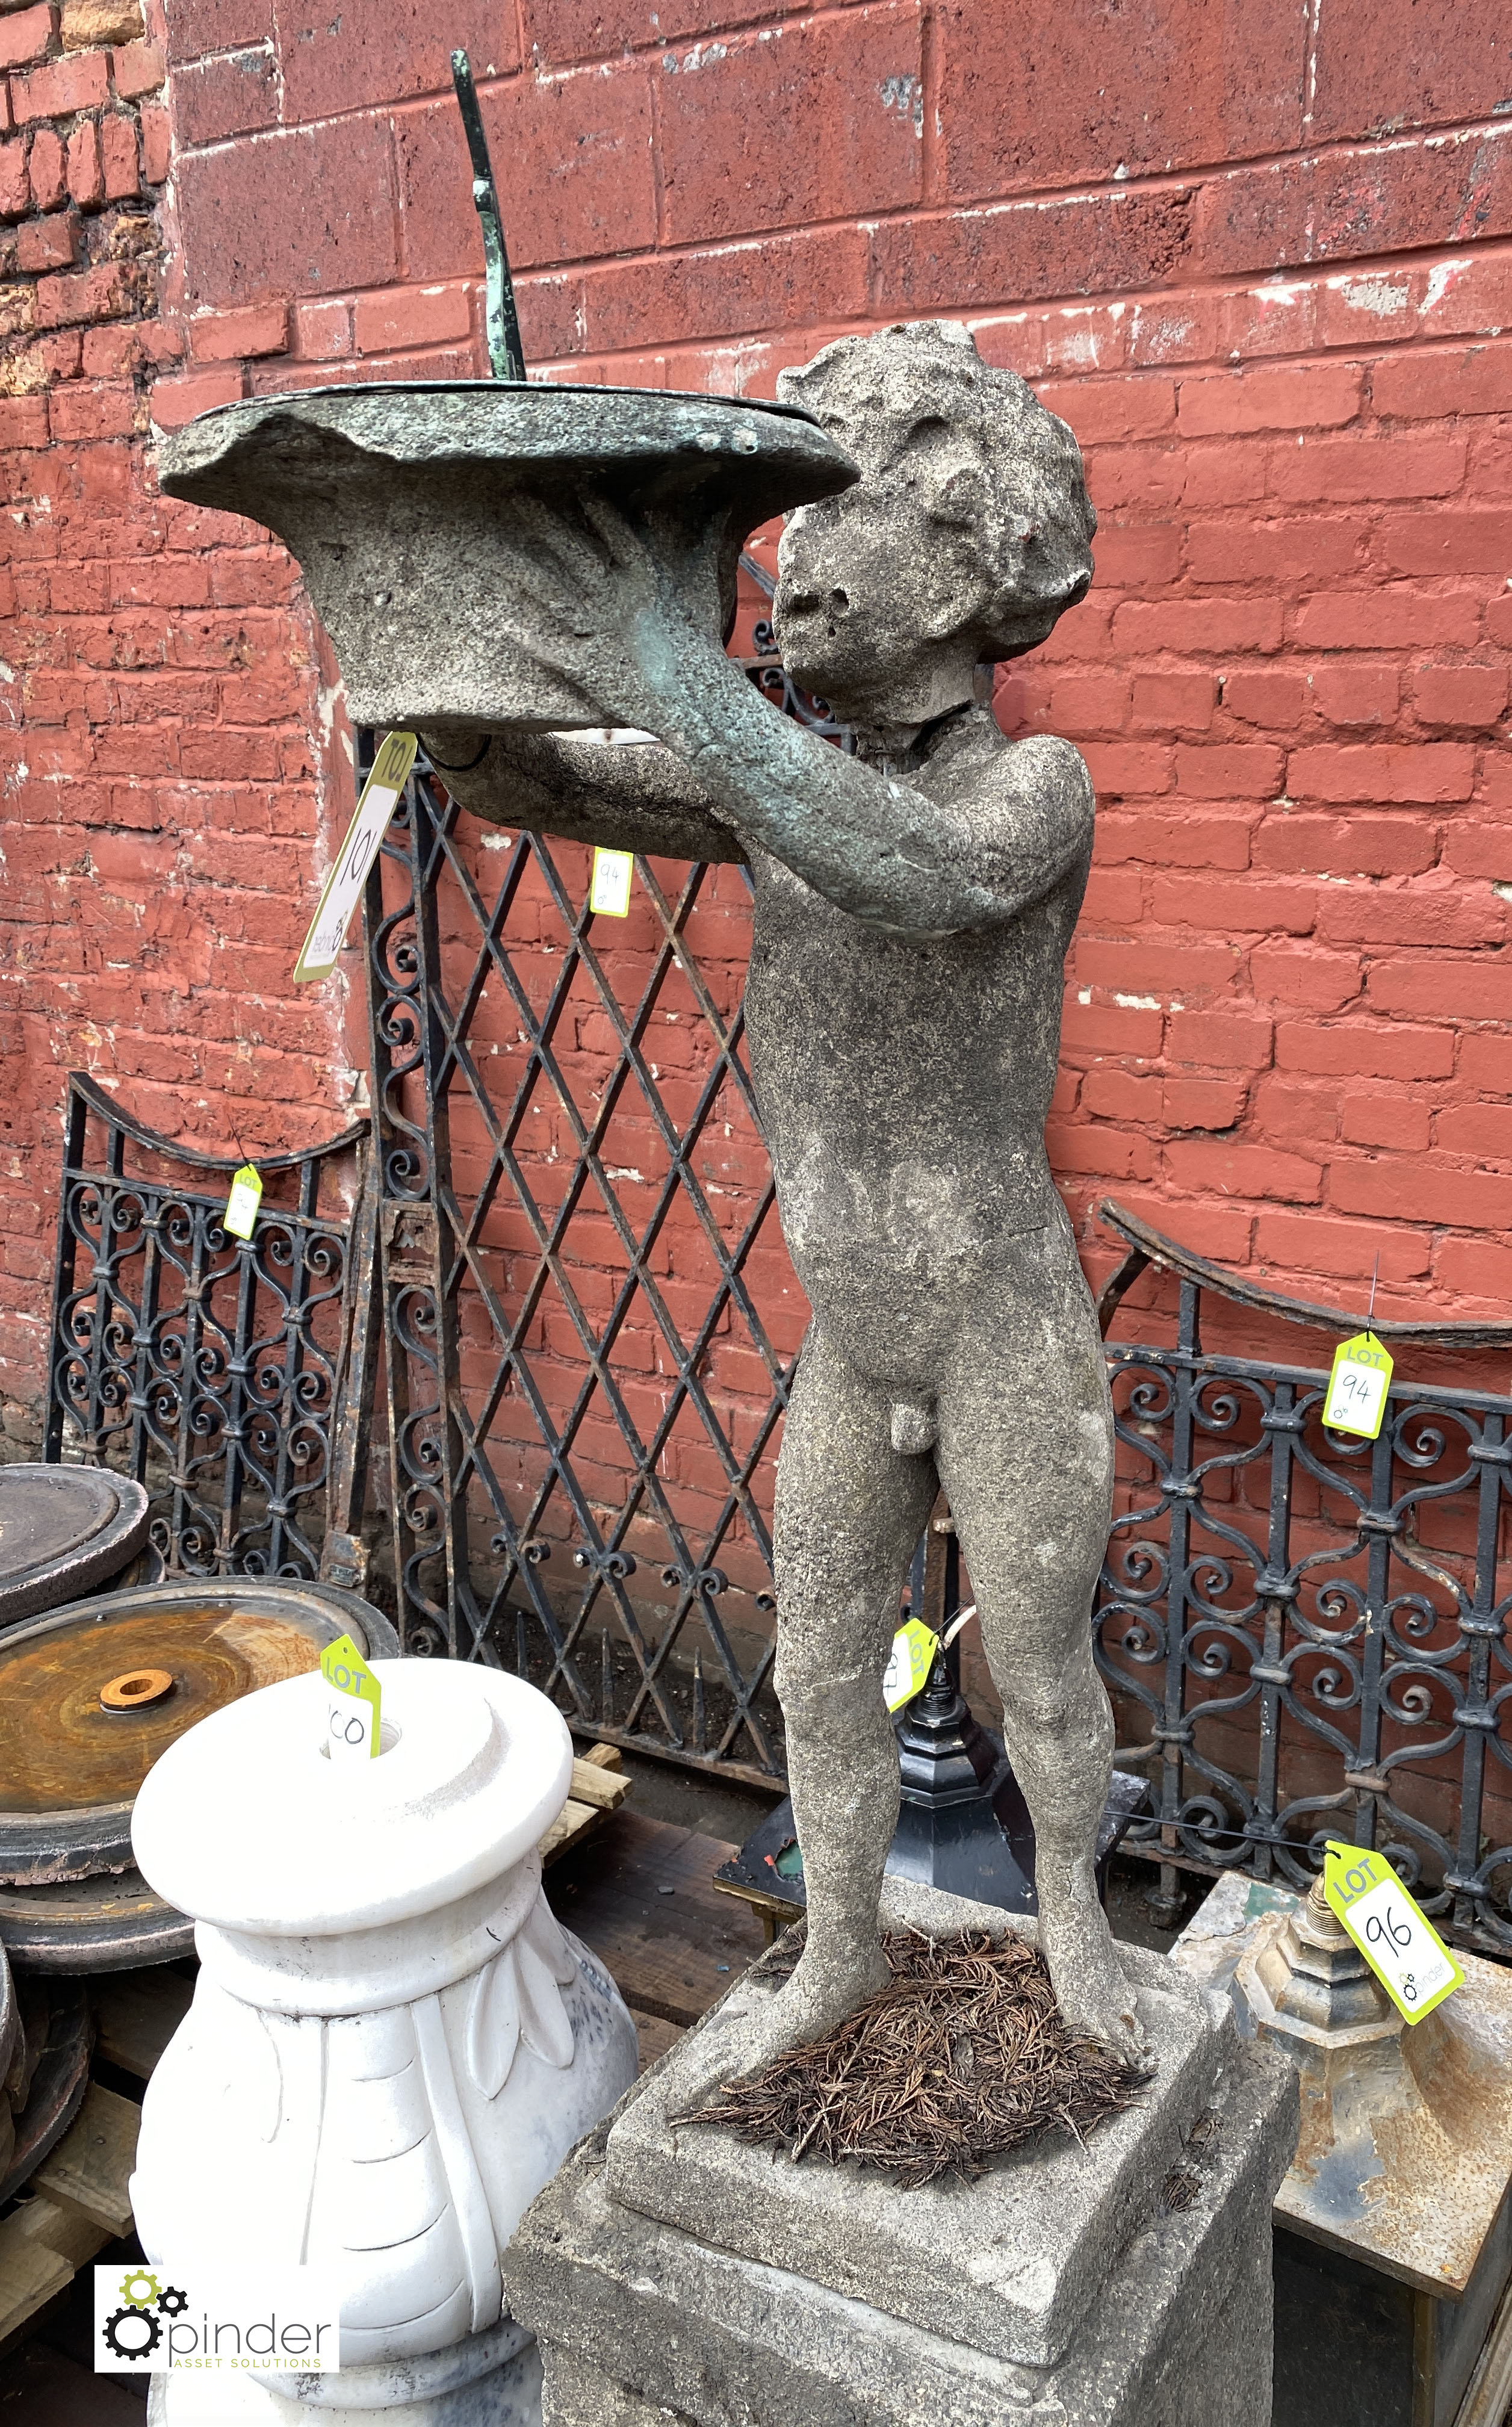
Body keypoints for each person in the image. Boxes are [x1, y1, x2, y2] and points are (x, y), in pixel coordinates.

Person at [422, 320, 1148, 2078]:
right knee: (815, 1657)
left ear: (971, 558)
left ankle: (1074, 1932)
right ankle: (835, 1949)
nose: (788, 566)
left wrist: (675, 686)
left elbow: (913, 875)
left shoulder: (1024, 791)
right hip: (854, 1340)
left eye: (831, 517)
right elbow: (528, 773)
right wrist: (455, 650)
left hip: (997, 1327)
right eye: (782, 532)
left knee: (1040, 1682)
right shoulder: (779, 791)